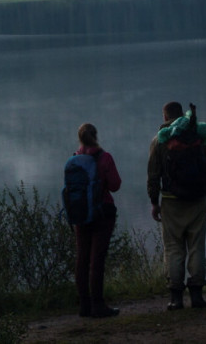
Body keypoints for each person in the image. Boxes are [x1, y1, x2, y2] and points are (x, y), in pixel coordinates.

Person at [147, 101, 206, 310]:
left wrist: (154, 202)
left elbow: (153, 176)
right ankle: (197, 296)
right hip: (197, 200)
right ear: (181, 115)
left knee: (173, 248)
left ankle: (176, 298)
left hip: (170, 202)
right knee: (196, 246)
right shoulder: (198, 137)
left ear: (165, 117)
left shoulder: (159, 141)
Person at [72, 122, 123, 318]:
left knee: (82, 259)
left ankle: (84, 306)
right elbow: (115, 185)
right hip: (102, 214)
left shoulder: (74, 158)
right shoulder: (104, 157)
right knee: (97, 260)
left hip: (81, 215)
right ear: (96, 136)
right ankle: (98, 305)